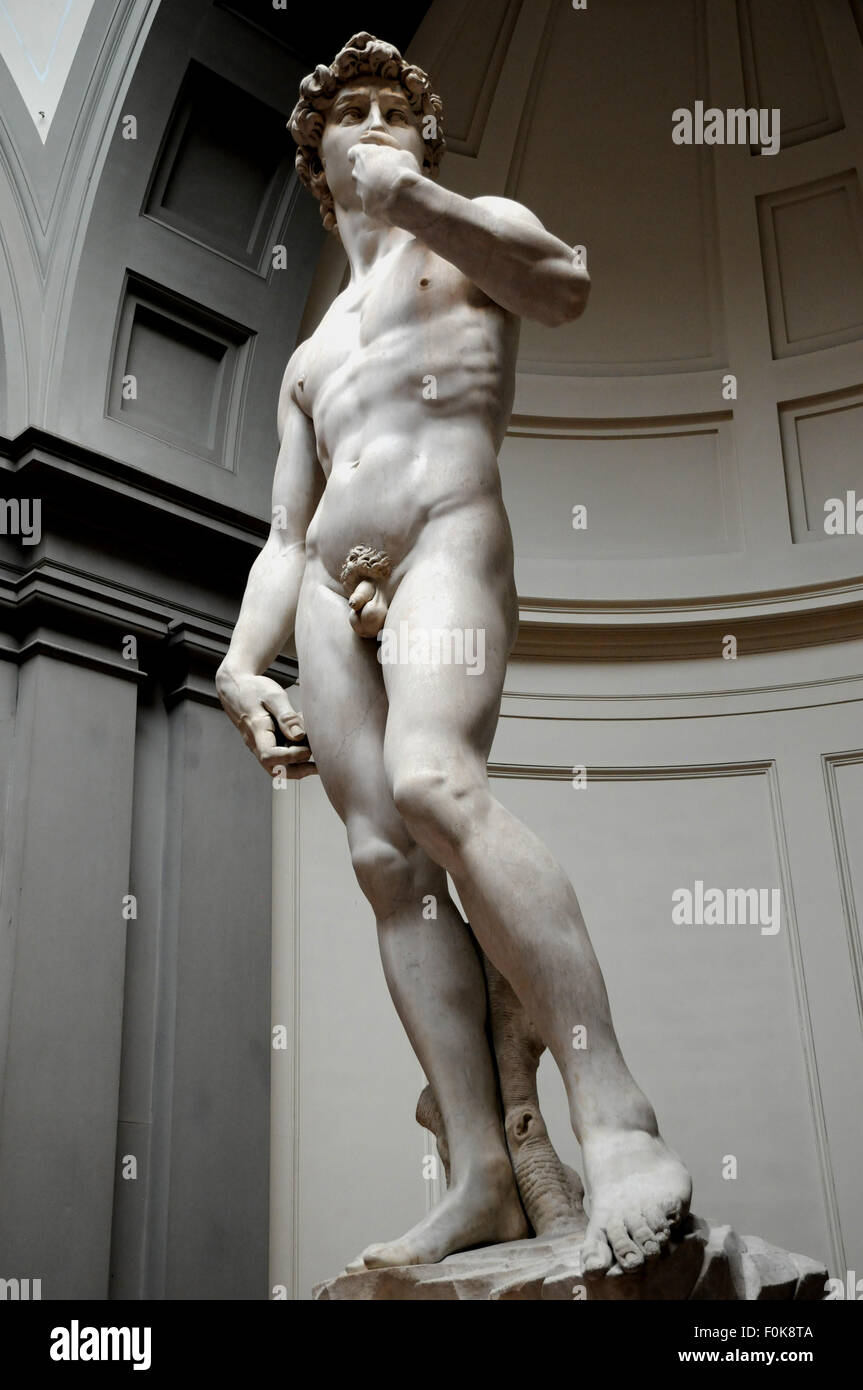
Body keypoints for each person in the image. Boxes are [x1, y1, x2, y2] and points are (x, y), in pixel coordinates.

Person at [217, 32, 691, 1275]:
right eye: (352, 113)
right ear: (315, 160)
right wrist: (235, 660)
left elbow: (563, 286)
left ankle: (617, 1113)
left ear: (424, 141)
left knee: (435, 781)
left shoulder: (468, 226)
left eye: (398, 110)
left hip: (445, 534)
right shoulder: (309, 352)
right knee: (383, 860)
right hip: (328, 578)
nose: (377, 122)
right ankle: (482, 1164)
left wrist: (420, 198)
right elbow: (278, 531)